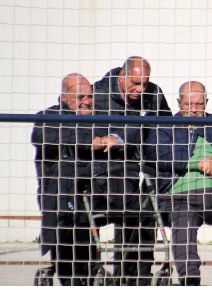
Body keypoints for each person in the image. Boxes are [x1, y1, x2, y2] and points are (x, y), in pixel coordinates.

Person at [92, 56, 172, 285]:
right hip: (107, 167)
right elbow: (89, 133)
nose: (141, 89)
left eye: (144, 83)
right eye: (135, 83)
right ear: (122, 76)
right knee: (126, 203)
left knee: (149, 206)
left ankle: (141, 273)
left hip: (142, 166)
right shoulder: (98, 95)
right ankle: (122, 272)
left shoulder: (153, 95)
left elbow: (164, 131)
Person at [143, 81, 212, 286]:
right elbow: (159, 153)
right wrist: (198, 163)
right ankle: (190, 280)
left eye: (199, 104)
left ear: (206, 102)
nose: (194, 110)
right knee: (183, 221)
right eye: (189, 105)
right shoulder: (165, 126)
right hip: (179, 194)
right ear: (179, 102)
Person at [31, 73, 96, 285]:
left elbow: (119, 134)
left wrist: (112, 138)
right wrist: (91, 141)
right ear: (63, 97)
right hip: (60, 195)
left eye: (89, 96)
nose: (86, 101)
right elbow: (43, 137)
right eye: (80, 97)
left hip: (92, 191)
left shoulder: (98, 118)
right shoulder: (47, 118)